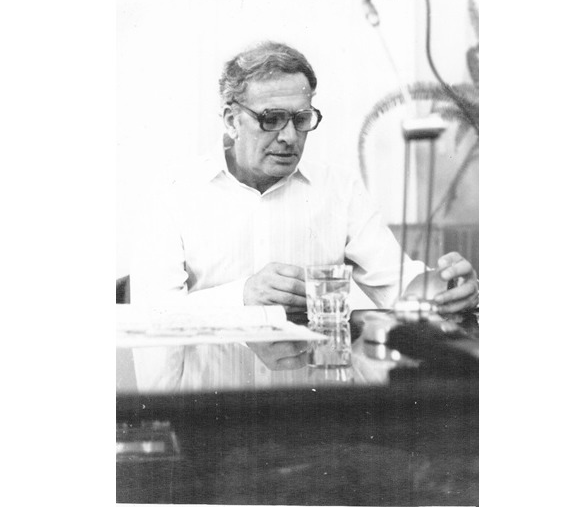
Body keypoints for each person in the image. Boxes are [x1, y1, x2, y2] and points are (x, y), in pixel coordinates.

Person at [130, 41, 478, 390]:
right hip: (210, 409)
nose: (289, 136)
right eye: (271, 119)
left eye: (300, 119)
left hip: (312, 410)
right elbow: (150, 318)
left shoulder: (339, 189)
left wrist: (448, 287)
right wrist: (242, 297)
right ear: (231, 120)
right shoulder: (173, 193)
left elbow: (398, 285)